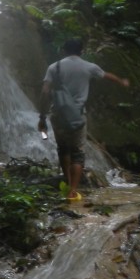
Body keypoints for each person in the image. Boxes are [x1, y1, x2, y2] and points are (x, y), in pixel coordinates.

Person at [38, 38, 130, 202]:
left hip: (58, 114)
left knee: (63, 149)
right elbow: (107, 75)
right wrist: (121, 81)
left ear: (64, 51)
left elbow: (45, 92)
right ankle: (73, 190)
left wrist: (42, 117)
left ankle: (66, 180)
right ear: (81, 51)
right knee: (78, 153)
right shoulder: (88, 67)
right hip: (78, 115)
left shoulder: (54, 67)